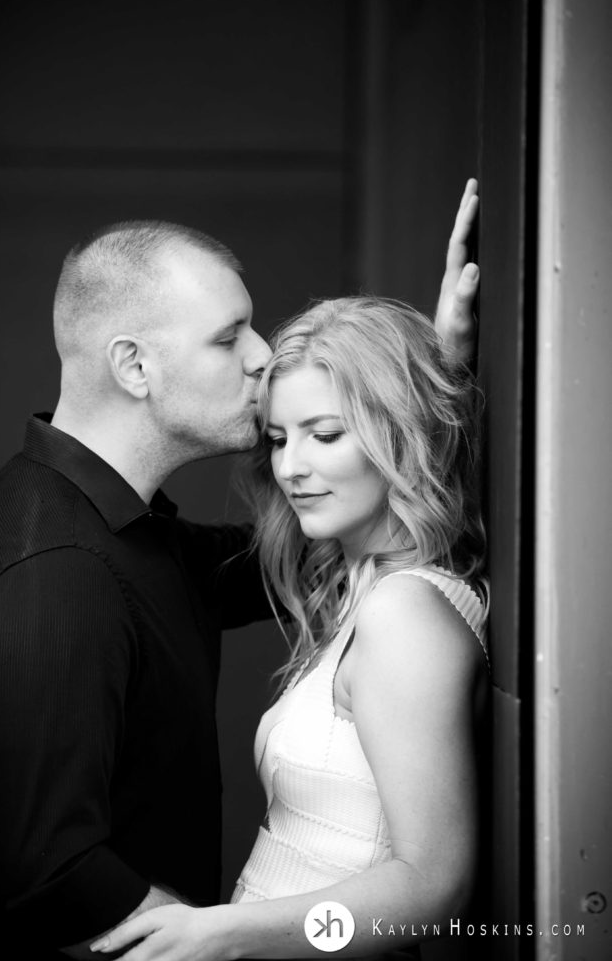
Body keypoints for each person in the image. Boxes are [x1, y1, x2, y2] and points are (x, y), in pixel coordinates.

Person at [0, 181, 480, 960]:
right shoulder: (52, 574)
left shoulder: (123, 527)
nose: (261, 356)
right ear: (135, 367)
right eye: (229, 338)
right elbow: (55, 873)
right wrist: (216, 943)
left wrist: (422, 388)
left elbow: (307, 549)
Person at [88, 293, 489, 960]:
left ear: (401, 431)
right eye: (277, 438)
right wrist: (443, 362)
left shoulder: (403, 616)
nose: (290, 467)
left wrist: (220, 932)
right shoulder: (370, 592)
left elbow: (433, 884)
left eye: (324, 434)